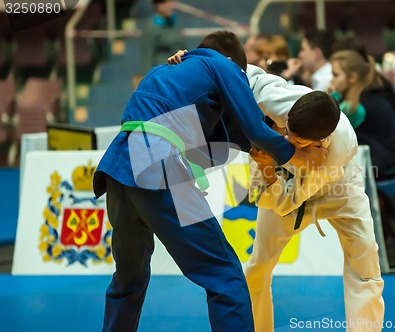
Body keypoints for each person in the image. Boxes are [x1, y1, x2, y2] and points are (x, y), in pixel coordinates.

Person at [94, 30, 327, 332]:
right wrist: (300, 157)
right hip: (157, 163)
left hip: (118, 168)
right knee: (225, 275)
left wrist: (273, 146)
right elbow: (254, 131)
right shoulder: (224, 65)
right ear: (234, 63)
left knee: (129, 279)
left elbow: (232, 137)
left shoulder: (168, 71)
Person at [244, 67, 385, 332]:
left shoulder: (336, 152)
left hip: (339, 190)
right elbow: (243, 70)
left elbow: (288, 203)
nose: (286, 140)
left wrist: (277, 163)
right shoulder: (277, 99)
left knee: (365, 266)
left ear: (319, 141)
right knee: (256, 270)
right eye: (286, 131)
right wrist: (192, 57)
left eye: (296, 141)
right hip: (283, 176)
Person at [329, 50, 395, 180]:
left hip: (380, 162)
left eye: (335, 75)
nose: (332, 80)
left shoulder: (360, 106)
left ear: (352, 77)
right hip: (379, 157)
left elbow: (331, 125)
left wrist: (331, 97)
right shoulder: (361, 99)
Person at [140, 0, 186, 74]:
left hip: (177, 71)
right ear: (158, 6)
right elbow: (147, 56)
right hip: (162, 73)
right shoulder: (151, 26)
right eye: (167, 3)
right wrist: (149, 77)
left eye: (171, 2)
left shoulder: (173, 24)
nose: (170, 6)